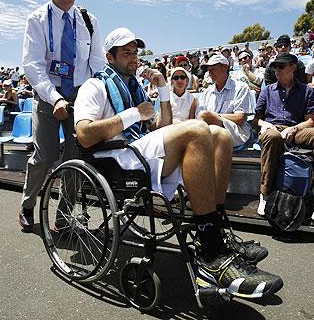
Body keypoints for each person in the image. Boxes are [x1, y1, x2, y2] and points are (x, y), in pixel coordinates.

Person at [73, 27, 282, 298]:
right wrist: (132, 115)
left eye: (135, 53)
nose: (133, 58)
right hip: (116, 159)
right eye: (126, 53)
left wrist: (162, 88)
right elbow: (85, 134)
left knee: (220, 134)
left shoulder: (133, 87)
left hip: (136, 149)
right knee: (197, 129)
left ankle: (216, 231)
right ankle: (209, 254)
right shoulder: (95, 85)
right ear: (109, 57)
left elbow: (163, 125)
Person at [18, 0, 106, 232]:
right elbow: (32, 65)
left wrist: (95, 95)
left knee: (75, 157)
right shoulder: (37, 20)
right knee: (44, 156)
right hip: (48, 96)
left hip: (79, 95)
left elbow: (98, 62)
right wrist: (54, 97)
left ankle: (63, 215)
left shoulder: (88, 21)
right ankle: (27, 204)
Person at [255, 53, 314, 223]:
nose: (277, 70)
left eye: (281, 66)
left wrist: (294, 128)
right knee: (271, 136)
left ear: (293, 67)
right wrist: (266, 125)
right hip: (273, 128)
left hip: (297, 128)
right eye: (275, 67)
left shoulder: (306, 90)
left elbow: (310, 121)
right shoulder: (267, 90)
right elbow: (258, 119)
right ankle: (265, 193)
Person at [196, 53, 254, 148]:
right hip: (210, 132)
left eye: (213, 68)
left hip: (236, 132)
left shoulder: (240, 87)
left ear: (225, 68)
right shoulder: (207, 92)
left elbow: (240, 119)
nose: (210, 73)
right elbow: (199, 119)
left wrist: (211, 116)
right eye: (209, 70)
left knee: (205, 118)